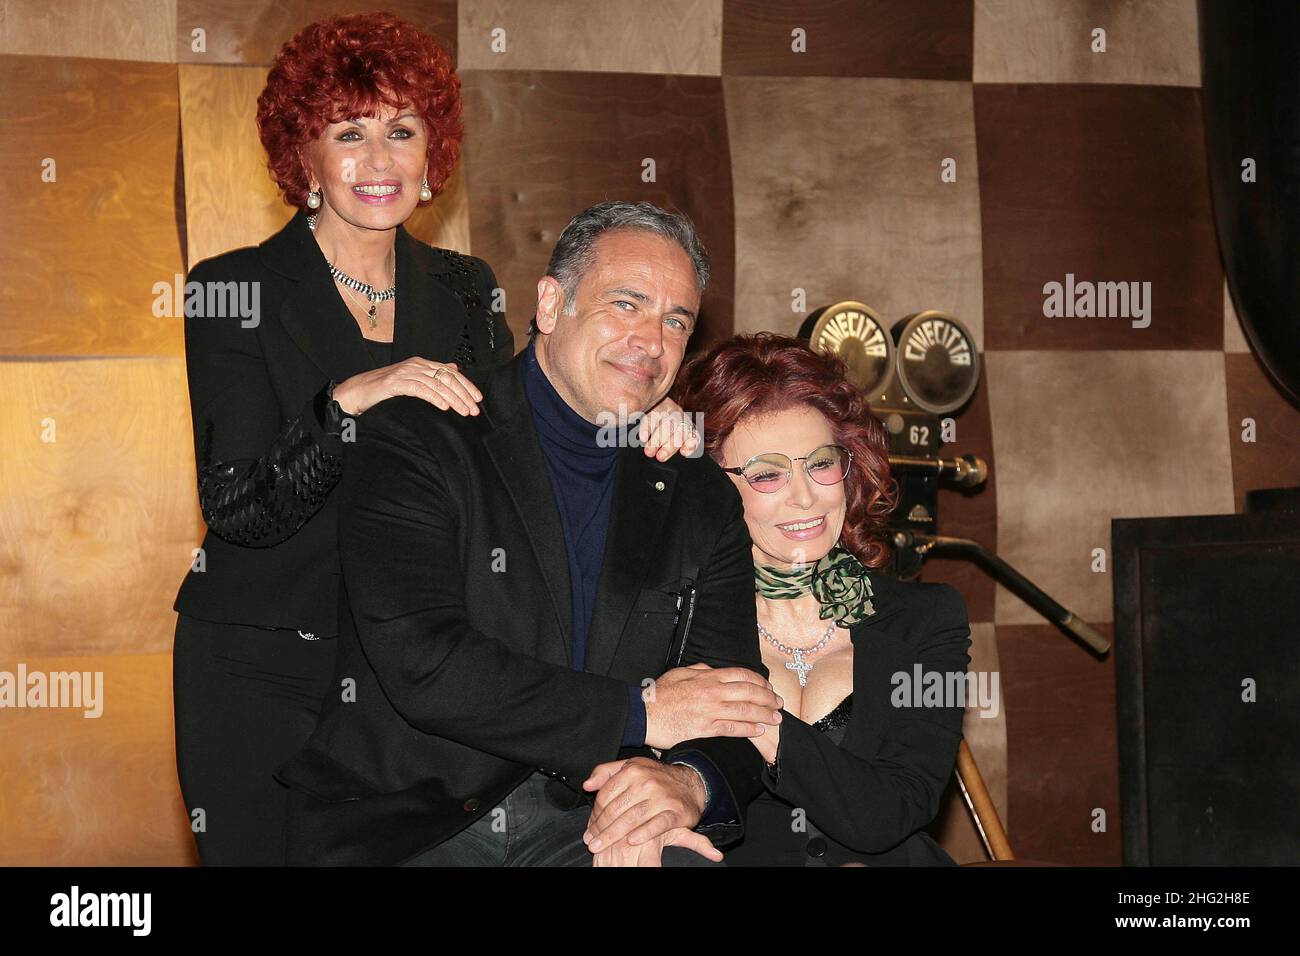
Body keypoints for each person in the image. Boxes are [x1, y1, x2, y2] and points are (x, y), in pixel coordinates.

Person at [170, 15, 692, 866]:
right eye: (349, 133)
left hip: (412, 674)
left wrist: (633, 423)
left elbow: (524, 441)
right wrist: (349, 402)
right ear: (304, 153)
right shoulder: (232, 288)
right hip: (265, 668)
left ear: (432, 153)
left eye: (402, 131)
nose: (379, 160)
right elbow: (239, 507)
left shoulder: (465, 288)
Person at [274, 201, 785, 866]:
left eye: (675, 321)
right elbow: (425, 663)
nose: (651, 341)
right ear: (550, 304)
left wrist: (686, 785)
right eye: (625, 304)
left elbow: (735, 701)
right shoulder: (419, 437)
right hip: (409, 820)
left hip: (590, 819)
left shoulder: (698, 493)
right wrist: (641, 712)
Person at [672, 333, 973, 865]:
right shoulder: (677, 623)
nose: (806, 496)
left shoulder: (926, 619)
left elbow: (893, 812)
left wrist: (758, 722)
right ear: (709, 488)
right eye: (767, 474)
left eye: (820, 463)